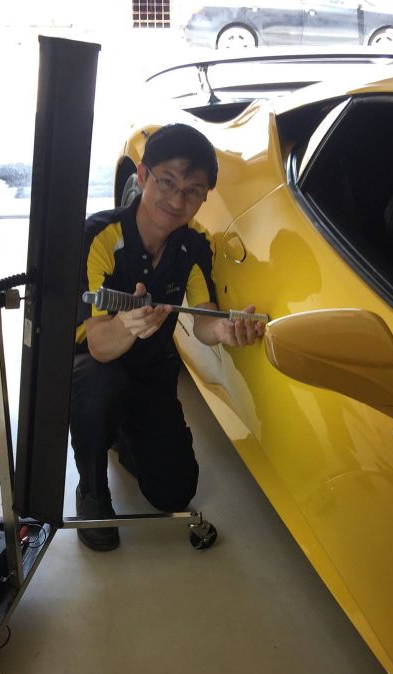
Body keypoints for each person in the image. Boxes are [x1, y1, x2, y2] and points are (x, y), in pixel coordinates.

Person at [70, 123, 265, 551]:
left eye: (193, 191)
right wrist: (126, 325)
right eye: (167, 182)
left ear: (205, 197)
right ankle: (92, 489)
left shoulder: (194, 247)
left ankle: (125, 435)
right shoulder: (98, 237)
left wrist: (225, 331)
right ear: (143, 176)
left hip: (151, 375)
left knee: (174, 492)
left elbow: (204, 319)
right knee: (100, 389)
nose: (177, 201)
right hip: (93, 367)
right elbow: (100, 345)